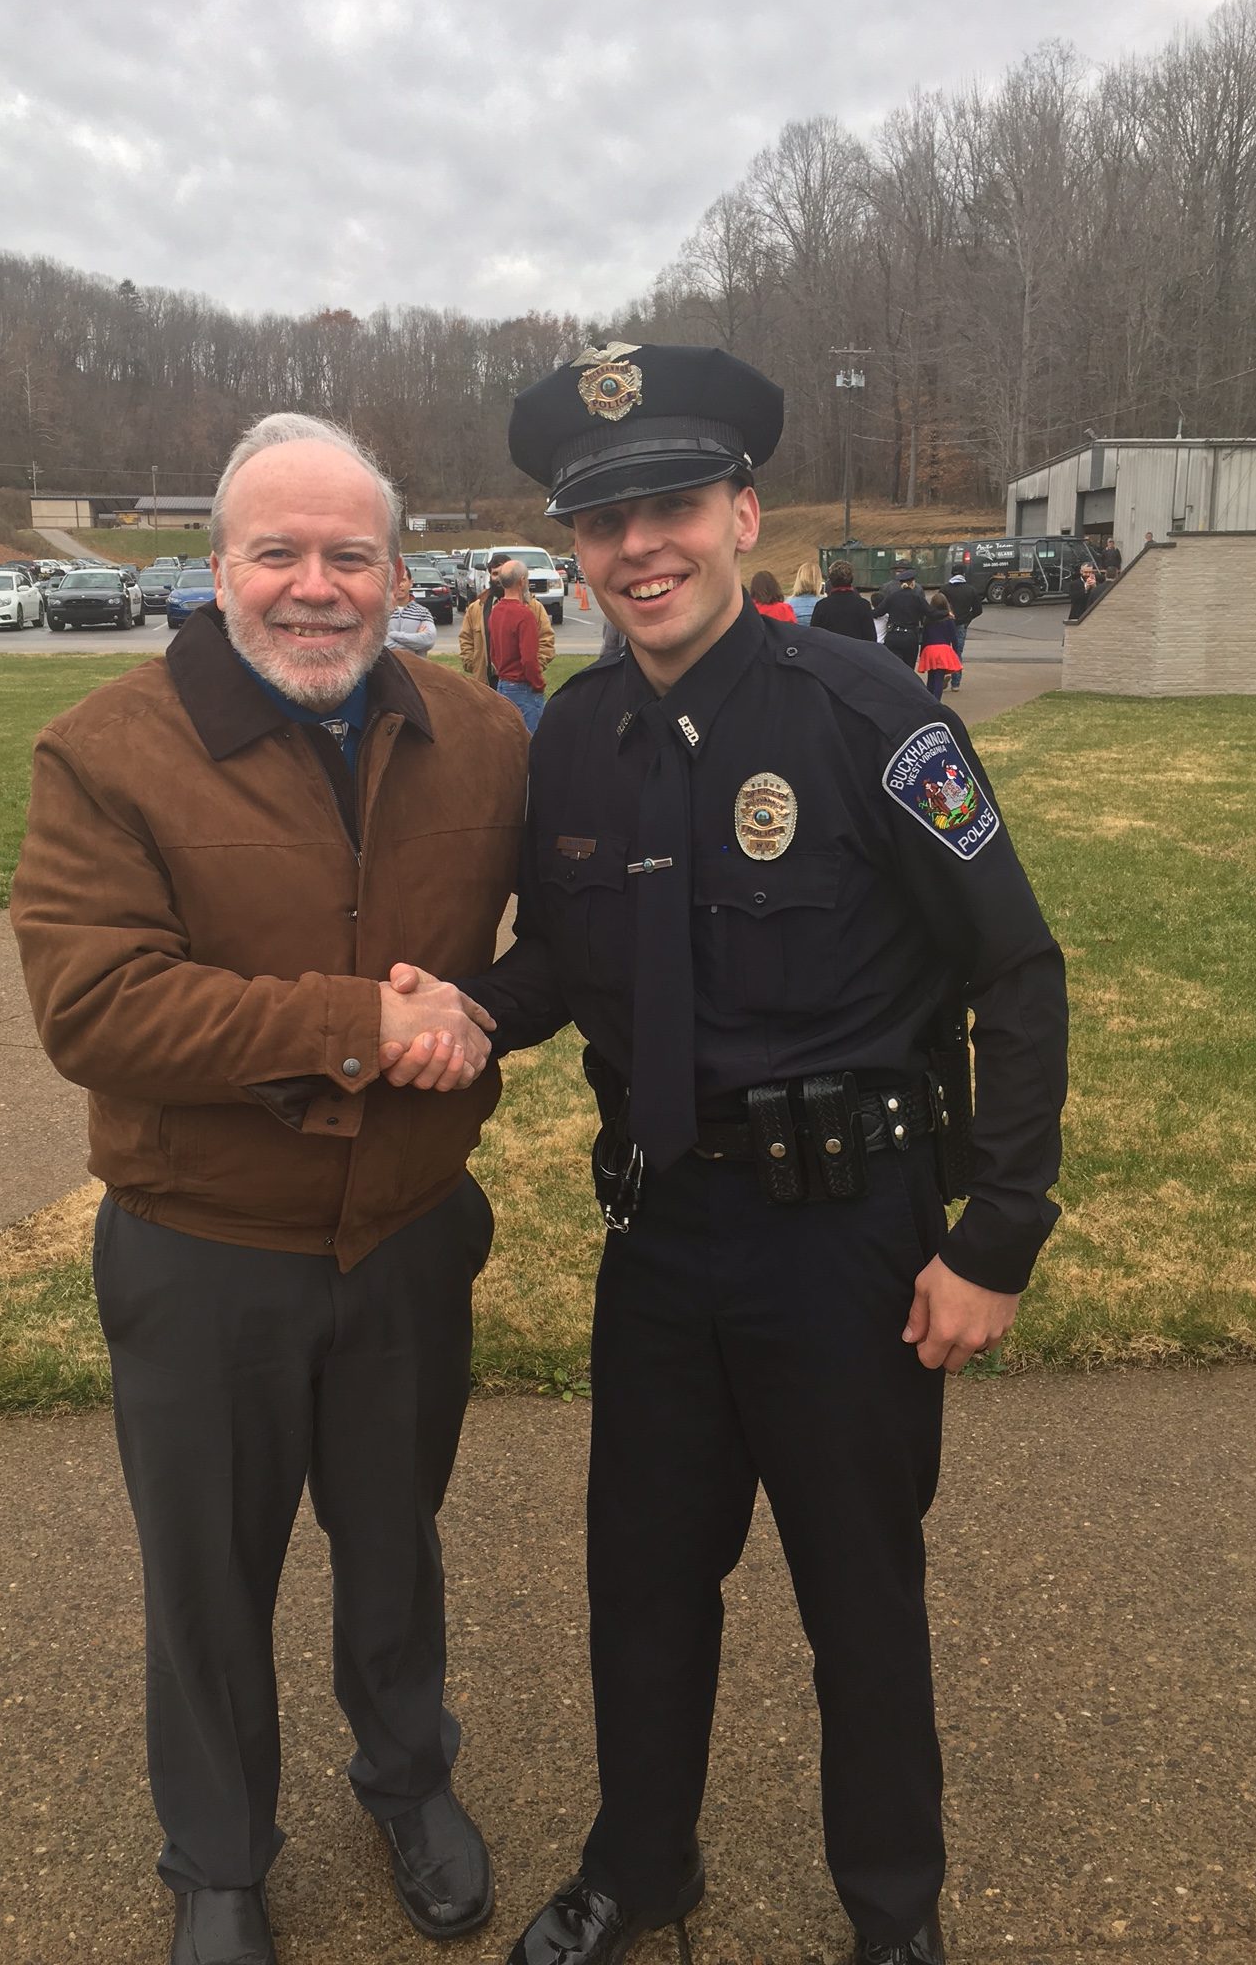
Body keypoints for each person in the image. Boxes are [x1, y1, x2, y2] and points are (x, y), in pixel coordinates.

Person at [382, 344, 1068, 1965]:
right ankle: (640, 1868)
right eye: (602, 521)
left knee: (859, 1599)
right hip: (661, 1239)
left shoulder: (871, 716)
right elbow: (568, 957)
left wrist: (996, 1234)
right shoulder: (571, 739)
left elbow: (1016, 969)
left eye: (672, 506)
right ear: (576, 550)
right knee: (640, 1584)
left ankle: (892, 1914)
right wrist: (472, 1009)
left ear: (743, 516)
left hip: (848, 1248)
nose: (640, 548)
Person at [11, 415, 524, 1965]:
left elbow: (559, 941)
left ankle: (408, 1779)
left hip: (408, 1241)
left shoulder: (482, 737)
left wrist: (488, 1015)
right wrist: (359, 1022)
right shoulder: (108, 751)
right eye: (278, 553)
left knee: (395, 1546)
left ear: (400, 574)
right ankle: (220, 1857)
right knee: (209, 1580)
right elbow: (97, 1009)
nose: (316, 586)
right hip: (202, 1252)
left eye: (349, 556)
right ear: (219, 567)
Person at [459, 551, 557, 688]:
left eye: (502, 574)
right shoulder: (476, 608)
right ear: (489, 576)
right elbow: (466, 639)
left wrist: (533, 668)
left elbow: (546, 639)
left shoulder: (533, 607)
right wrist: (473, 664)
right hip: (485, 684)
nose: (499, 579)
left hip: (521, 683)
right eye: (495, 574)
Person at [488, 559, 547, 731]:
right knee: (531, 740)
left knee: (509, 739)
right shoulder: (524, 615)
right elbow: (529, 659)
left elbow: (493, 653)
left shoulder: (495, 611)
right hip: (522, 688)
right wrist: (538, 684)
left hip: (502, 684)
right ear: (522, 581)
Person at [872, 564, 931, 669]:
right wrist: (945, 613)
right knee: (909, 669)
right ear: (912, 582)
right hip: (910, 636)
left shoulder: (890, 593)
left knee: (893, 668)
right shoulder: (917, 594)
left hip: (893, 635)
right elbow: (929, 612)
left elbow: (878, 612)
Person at [809, 558, 879, 644]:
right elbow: (871, 638)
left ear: (830, 580)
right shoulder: (863, 605)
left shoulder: (822, 605)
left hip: (830, 650)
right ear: (852, 578)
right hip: (855, 650)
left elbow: (814, 637)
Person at [916, 590, 963, 700]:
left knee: (931, 677)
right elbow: (954, 638)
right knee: (939, 678)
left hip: (929, 650)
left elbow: (925, 638)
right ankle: (937, 701)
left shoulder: (928, 620)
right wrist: (956, 653)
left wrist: (922, 653)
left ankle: (929, 700)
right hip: (943, 650)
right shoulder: (949, 620)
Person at [941, 572, 983, 692]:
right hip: (961, 624)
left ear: (952, 574)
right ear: (964, 574)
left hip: (945, 623)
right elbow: (978, 610)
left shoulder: (945, 589)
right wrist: (967, 619)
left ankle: (943, 675)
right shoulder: (971, 590)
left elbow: (938, 605)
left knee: (943, 651)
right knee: (957, 653)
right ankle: (956, 683)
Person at [387, 561, 438, 656]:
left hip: (416, 665)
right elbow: (378, 644)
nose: (399, 585)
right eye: (395, 581)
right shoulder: (380, 613)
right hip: (387, 666)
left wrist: (392, 635)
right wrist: (414, 645)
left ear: (411, 583)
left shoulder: (423, 613)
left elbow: (428, 641)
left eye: (403, 580)